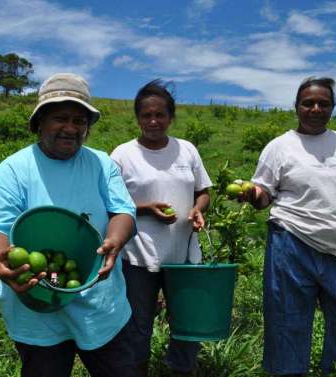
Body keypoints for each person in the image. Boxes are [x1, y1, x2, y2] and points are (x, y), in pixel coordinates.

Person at [0, 73, 137, 377]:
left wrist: (115, 239)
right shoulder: (14, 169)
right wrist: (0, 264)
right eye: (60, 118)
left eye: (80, 121)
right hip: (35, 303)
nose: (71, 128)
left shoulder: (101, 164)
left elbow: (123, 210)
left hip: (100, 304)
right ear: (39, 122)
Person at [240, 77, 336, 376]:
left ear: (332, 108)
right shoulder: (280, 146)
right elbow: (264, 196)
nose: (316, 109)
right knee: (286, 323)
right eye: (308, 103)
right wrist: (253, 194)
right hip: (291, 242)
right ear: (297, 107)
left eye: (323, 104)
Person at [110, 79, 213, 377]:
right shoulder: (123, 155)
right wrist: (145, 209)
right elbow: (111, 203)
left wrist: (197, 209)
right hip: (138, 256)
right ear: (137, 117)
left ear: (171, 117)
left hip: (184, 255)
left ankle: (181, 370)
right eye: (146, 115)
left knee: (187, 323)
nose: (153, 121)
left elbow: (203, 191)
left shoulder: (187, 151)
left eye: (160, 115)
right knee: (137, 324)